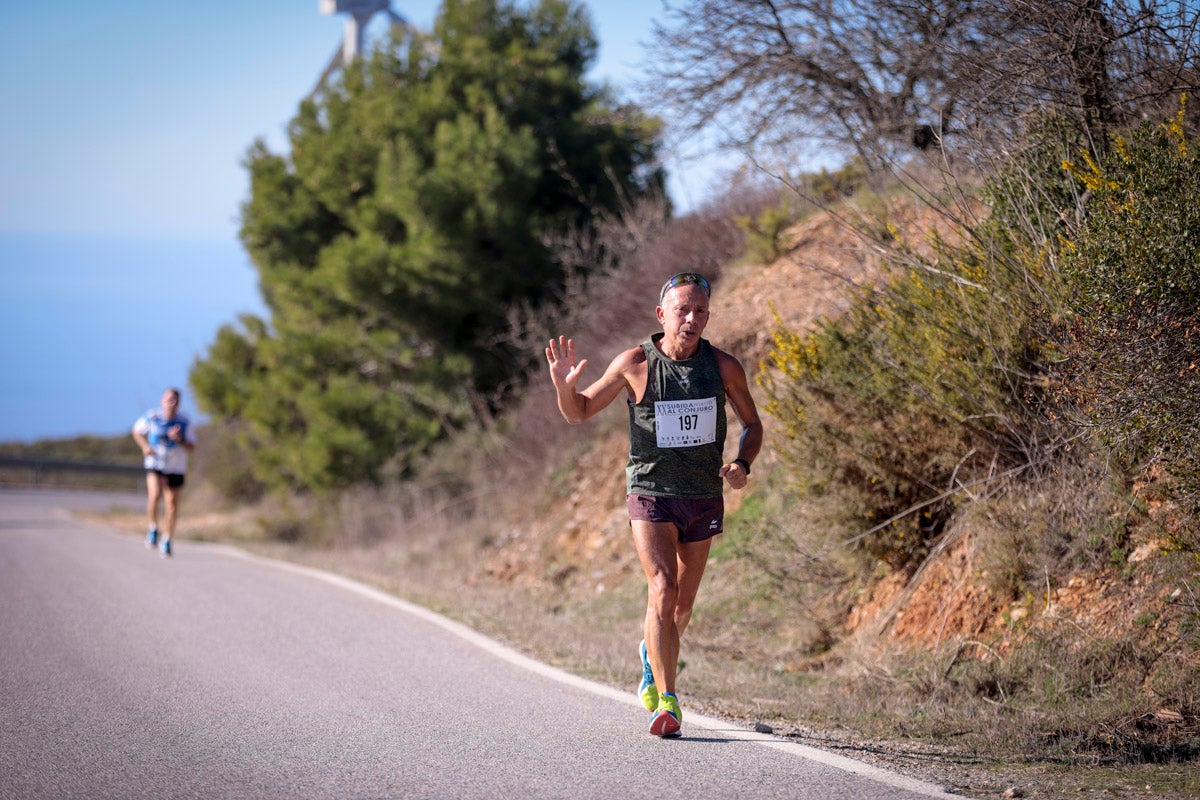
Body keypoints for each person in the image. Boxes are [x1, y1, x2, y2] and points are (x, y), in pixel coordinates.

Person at [545, 271, 763, 738]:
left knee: (680, 609)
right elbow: (579, 411)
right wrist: (565, 388)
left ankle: (650, 656)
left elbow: (753, 424)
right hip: (649, 493)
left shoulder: (723, 367)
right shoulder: (634, 364)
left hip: (702, 495)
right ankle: (667, 702)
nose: (691, 318)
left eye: (700, 310)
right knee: (661, 589)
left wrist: (743, 462)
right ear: (661, 315)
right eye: (682, 309)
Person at [131, 388, 196, 558]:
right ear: (162, 401)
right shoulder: (152, 417)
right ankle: (153, 528)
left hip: (176, 466)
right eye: (168, 399)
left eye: (174, 400)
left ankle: (167, 539)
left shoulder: (184, 421)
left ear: (179, 403)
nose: (171, 402)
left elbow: (192, 447)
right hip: (155, 462)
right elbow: (136, 431)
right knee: (155, 495)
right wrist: (145, 446)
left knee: (172, 504)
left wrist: (180, 439)